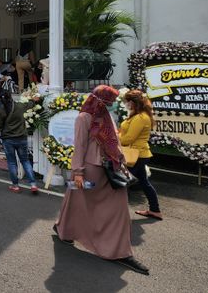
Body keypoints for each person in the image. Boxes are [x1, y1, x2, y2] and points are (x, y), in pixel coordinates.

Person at [54, 85, 149, 275]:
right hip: (89, 170)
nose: (110, 105)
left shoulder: (105, 116)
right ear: (98, 99)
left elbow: (114, 141)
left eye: (112, 103)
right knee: (76, 197)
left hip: (109, 169)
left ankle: (118, 250)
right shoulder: (84, 117)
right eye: (108, 102)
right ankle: (65, 230)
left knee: (114, 206)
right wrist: (78, 172)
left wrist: (120, 162)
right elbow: (79, 146)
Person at [120, 89, 162, 220]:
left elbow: (128, 139)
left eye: (126, 101)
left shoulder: (140, 117)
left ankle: (117, 215)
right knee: (144, 182)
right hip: (138, 154)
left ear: (132, 102)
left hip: (136, 155)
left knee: (121, 182)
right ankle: (155, 210)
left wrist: (113, 139)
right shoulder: (138, 115)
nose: (125, 104)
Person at [0, 89, 38, 193]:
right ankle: (33, 184)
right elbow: (30, 104)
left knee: (12, 162)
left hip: (8, 140)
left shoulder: (1, 109)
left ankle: (15, 185)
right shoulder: (19, 106)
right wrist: (34, 99)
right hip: (22, 138)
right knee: (25, 161)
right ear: (11, 96)